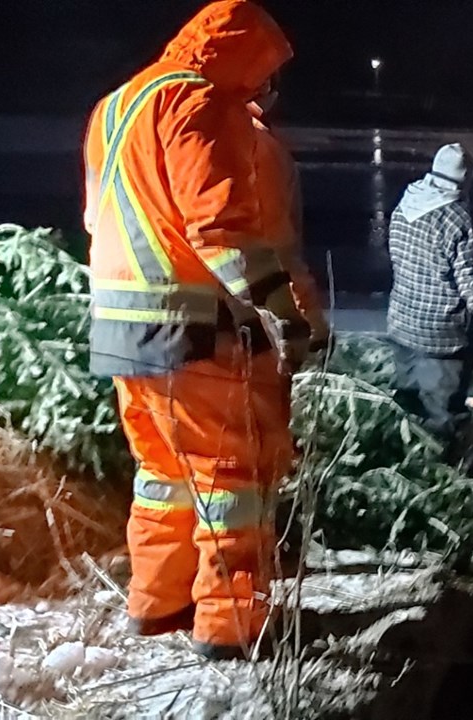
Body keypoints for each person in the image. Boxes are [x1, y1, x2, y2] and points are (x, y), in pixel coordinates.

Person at [82, 0, 308, 660]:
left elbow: (99, 218)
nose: (265, 90)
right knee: (230, 478)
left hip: (121, 325)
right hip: (191, 326)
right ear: (239, 54)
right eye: (263, 72)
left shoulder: (115, 106)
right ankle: (232, 629)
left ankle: (157, 605)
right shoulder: (195, 103)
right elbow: (220, 228)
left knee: (162, 474)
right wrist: (283, 314)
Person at [385, 143, 473, 437]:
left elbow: (397, 256)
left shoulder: (406, 203)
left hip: (402, 326)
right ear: (466, 178)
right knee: (443, 417)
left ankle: (407, 465)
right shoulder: (462, 220)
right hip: (443, 338)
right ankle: (441, 468)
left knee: (407, 409)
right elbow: (472, 281)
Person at [249, 75, 331, 356]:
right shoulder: (259, 147)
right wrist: (313, 322)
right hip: (259, 320)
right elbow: (280, 249)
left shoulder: (204, 134)